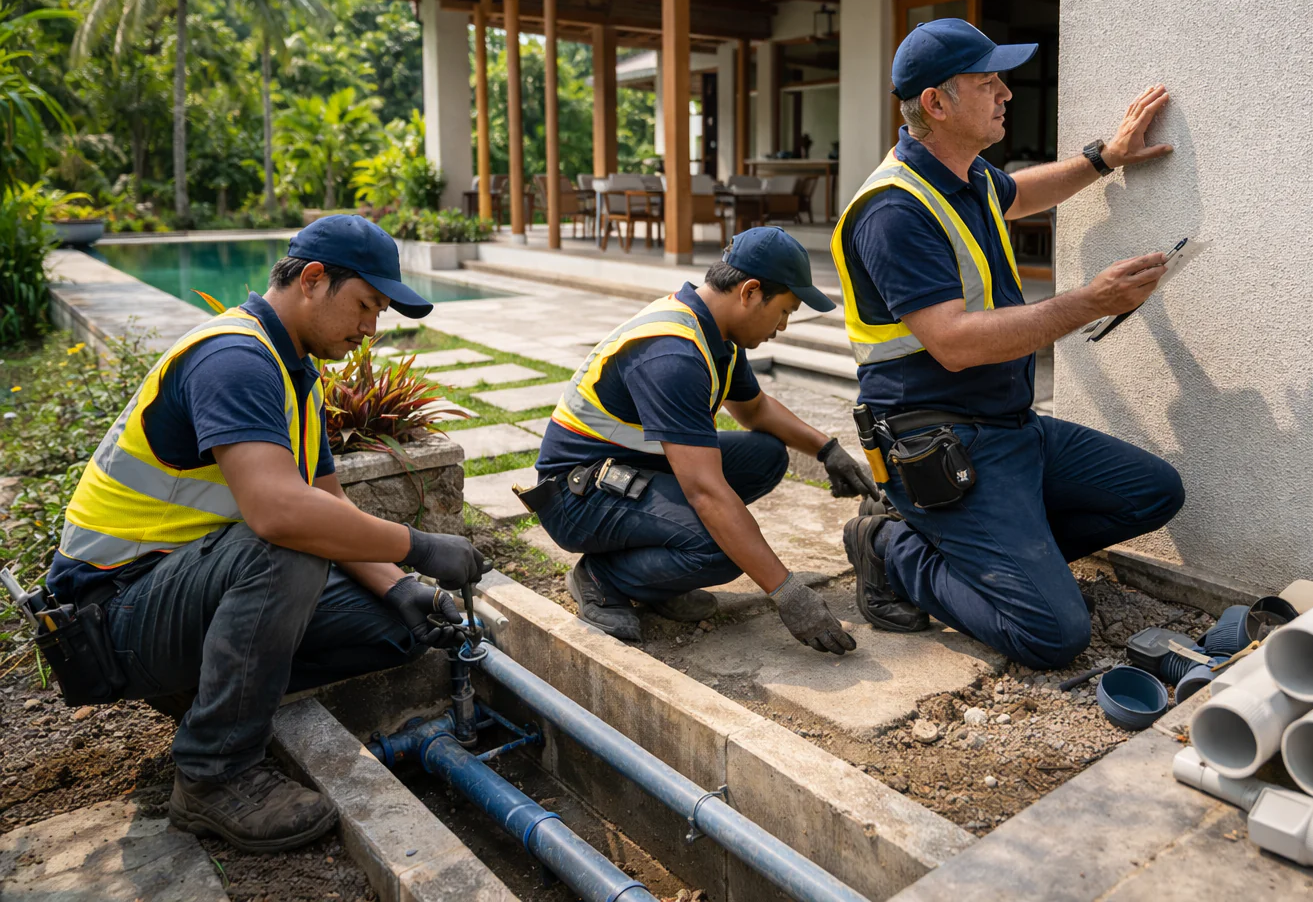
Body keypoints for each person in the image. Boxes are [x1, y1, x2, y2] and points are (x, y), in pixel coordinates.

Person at [47, 214, 491, 853]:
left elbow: (329, 504)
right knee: (285, 544)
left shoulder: (295, 377)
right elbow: (281, 514)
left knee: (396, 632)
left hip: (176, 593)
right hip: (111, 616)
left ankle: (216, 693)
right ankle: (213, 773)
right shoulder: (235, 359)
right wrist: (421, 547)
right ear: (313, 280)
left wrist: (403, 591)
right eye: (367, 306)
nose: (371, 330)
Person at [833, 18, 1185, 669]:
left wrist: (1104, 157)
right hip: (941, 441)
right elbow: (955, 345)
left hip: (1008, 426)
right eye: (987, 82)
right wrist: (1089, 302)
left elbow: (1019, 192)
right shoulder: (893, 212)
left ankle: (1002, 558)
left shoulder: (966, 177)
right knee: (1053, 636)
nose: (1007, 93)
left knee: (1155, 491)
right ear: (936, 103)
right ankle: (891, 547)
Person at [519, 226, 876, 653]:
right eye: (785, 310)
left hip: (625, 468)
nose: (782, 326)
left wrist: (827, 449)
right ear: (749, 292)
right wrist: (788, 593)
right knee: (720, 550)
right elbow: (705, 493)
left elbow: (755, 410)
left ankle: (659, 569)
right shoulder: (674, 354)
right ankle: (601, 577)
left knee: (765, 455)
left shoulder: (715, 331)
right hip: (576, 497)